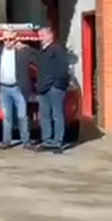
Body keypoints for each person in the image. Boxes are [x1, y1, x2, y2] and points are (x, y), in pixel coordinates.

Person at [0, 30, 34, 149]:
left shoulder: (23, 51)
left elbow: (37, 57)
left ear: (15, 39)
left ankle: (26, 141)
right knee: (6, 117)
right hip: (4, 88)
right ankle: (6, 141)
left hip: (18, 88)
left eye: (10, 39)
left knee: (22, 116)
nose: (7, 42)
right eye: (5, 39)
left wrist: (27, 47)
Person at [35, 26, 70, 154]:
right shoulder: (42, 51)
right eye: (39, 35)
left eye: (43, 35)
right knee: (44, 116)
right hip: (43, 88)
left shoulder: (57, 49)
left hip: (54, 88)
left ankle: (58, 142)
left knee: (57, 115)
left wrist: (57, 85)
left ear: (50, 35)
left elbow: (62, 69)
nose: (40, 37)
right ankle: (47, 141)